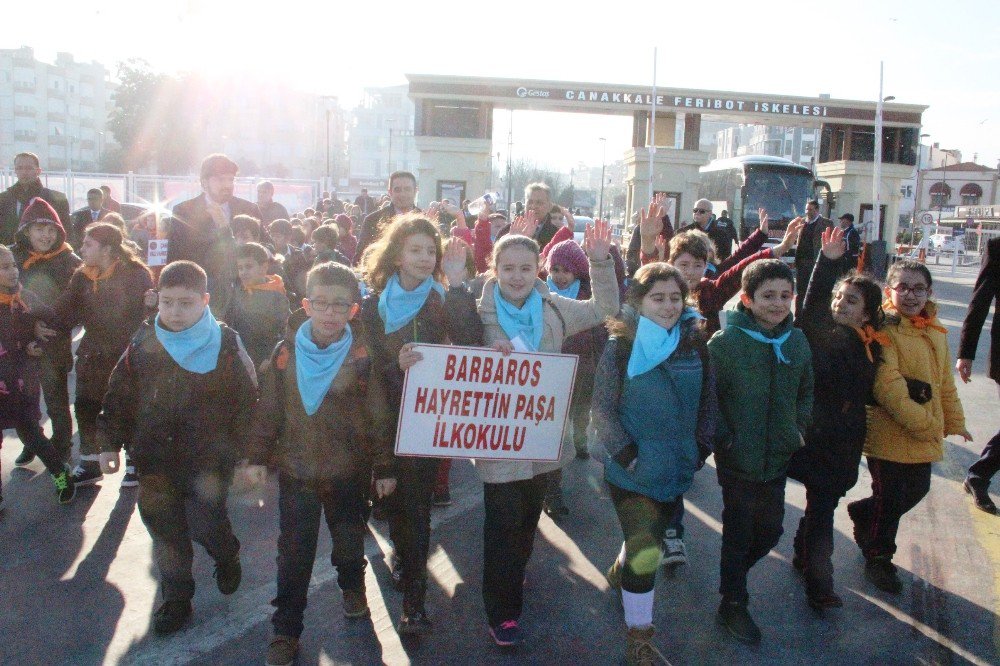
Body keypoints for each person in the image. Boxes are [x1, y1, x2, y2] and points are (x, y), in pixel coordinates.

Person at [475, 222, 619, 647]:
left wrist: (600, 260)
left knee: (524, 521)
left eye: (525, 267)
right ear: (494, 269)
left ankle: (513, 575)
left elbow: (604, 308)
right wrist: (485, 353)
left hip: (542, 436)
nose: (517, 276)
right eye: (508, 268)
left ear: (538, 267)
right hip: (496, 437)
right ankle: (502, 612)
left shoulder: (555, 307)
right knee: (501, 524)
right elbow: (451, 353)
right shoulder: (475, 310)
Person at [97, 260, 257, 636]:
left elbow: (248, 402)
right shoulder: (143, 340)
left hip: (208, 461)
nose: (174, 312)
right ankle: (177, 599)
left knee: (206, 524)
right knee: (167, 535)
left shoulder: (227, 343)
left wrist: (250, 454)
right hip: (154, 460)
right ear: (157, 299)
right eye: (167, 302)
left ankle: (225, 552)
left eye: (185, 303)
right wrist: (108, 443)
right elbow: (118, 393)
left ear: (205, 300)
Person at [243, 261, 382, 666]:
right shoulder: (285, 354)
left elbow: (377, 415)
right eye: (320, 303)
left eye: (340, 306)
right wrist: (255, 457)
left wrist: (385, 467)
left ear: (354, 310)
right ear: (305, 305)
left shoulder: (360, 357)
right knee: (294, 555)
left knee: (349, 543)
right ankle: (286, 630)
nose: (329, 313)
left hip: (347, 473)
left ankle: (352, 587)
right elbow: (268, 411)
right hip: (297, 472)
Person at [360, 213, 483, 635]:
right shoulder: (374, 306)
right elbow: (370, 371)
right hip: (385, 422)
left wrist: (457, 283)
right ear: (395, 255)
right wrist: (397, 367)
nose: (425, 258)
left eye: (431, 251)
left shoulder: (441, 299)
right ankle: (402, 555)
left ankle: (415, 602)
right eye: (415, 250)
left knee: (417, 510)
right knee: (394, 504)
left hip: (429, 423)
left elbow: (469, 344)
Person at [595, 262, 716, 664]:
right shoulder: (621, 346)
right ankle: (639, 637)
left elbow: (709, 404)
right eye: (657, 298)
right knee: (646, 553)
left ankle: (621, 567)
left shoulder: (696, 343)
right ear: (639, 302)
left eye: (675, 298)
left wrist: (700, 449)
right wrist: (628, 456)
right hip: (630, 473)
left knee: (644, 542)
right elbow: (602, 409)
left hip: (677, 468)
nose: (668, 306)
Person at [847, 260, 971, 593]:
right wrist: (927, 425)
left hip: (922, 431)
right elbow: (888, 389)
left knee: (917, 490)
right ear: (890, 291)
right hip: (888, 433)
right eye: (903, 287)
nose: (910, 295)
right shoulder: (883, 329)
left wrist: (953, 421)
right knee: (889, 501)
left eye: (918, 288)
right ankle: (879, 558)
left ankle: (863, 512)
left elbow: (944, 383)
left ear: (930, 292)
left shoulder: (935, 330)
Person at [709, 259, 813, 645]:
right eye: (767, 296)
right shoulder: (726, 344)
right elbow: (710, 400)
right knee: (738, 531)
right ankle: (733, 602)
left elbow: (806, 391)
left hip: (778, 457)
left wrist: (797, 429)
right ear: (748, 300)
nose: (777, 304)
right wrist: (725, 438)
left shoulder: (796, 341)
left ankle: (731, 577)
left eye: (785, 296)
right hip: (738, 459)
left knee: (771, 530)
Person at [787, 226, 888, 609]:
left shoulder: (873, 342)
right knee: (823, 509)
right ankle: (820, 584)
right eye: (839, 297)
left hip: (846, 440)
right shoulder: (820, 334)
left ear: (867, 310)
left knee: (822, 504)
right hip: (818, 437)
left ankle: (801, 551)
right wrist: (826, 263)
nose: (840, 304)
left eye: (851, 300)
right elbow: (811, 304)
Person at [37, 223, 155, 488]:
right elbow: (63, 311)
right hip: (93, 354)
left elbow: (150, 317)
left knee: (129, 407)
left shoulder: (136, 274)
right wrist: (37, 323)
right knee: (86, 406)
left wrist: (151, 305)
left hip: (127, 355)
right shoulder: (82, 277)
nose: (82, 249)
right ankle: (90, 462)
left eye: (88, 244)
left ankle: (135, 462)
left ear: (107, 249)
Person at [0, 245, 76, 508]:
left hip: (20, 382)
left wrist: (35, 338)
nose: (13, 271)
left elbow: (54, 320)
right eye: (4, 267)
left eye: (12, 265)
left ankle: (60, 473)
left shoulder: (24, 299)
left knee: (30, 433)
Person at [9, 198, 82, 465]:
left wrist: (50, 327)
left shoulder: (69, 260)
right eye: (39, 228)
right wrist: (30, 328)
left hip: (55, 339)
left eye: (51, 229)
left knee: (56, 399)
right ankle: (33, 441)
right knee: (25, 399)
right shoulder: (12, 257)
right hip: (21, 341)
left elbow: (77, 302)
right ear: (26, 230)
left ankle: (62, 444)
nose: (46, 235)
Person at [166, 154, 261, 315]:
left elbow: (264, 250)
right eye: (220, 180)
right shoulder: (183, 211)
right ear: (204, 183)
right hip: (198, 296)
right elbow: (175, 258)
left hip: (243, 296)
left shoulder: (249, 209)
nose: (227, 185)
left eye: (231, 179)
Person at [957, 235, 1000, 514]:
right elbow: (980, 301)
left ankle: (979, 475)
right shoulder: (997, 248)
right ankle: (978, 476)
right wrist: (965, 353)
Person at [225, 243, 290, 369]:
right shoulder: (238, 292)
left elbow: (283, 331)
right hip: (237, 357)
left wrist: (271, 357)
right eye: (240, 268)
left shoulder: (276, 297)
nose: (243, 272)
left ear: (264, 267)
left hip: (262, 361)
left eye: (248, 267)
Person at [0, 152, 70, 245]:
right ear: (15, 171)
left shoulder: (57, 199)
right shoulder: (3, 199)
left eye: (29, 168)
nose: (24, 172)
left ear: (38, 171)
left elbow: (67, 235)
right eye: (19, 168)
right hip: (10, 256)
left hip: (46, 256)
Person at [355, 171, 419, 263]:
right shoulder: (372, 220)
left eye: (407, 189)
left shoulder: (425, 220)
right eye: (397, 190)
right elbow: (359, 258)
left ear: (415, 191)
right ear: (390, 192)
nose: (402, 194)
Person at [794, 200, 834, 317]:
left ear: (817, 210)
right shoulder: (802, 222)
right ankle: (798, 316)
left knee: (814, 291)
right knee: (800, 291)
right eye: (806, 209)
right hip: (802, 262)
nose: (808, 212)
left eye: (810, 209)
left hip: (816, 262)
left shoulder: (826, 223)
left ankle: (811, 316)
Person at [495, 183, 561, 250]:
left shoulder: (557, 236)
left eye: (539, 202)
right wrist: (513, 239)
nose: (534, 206)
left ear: (549, 206)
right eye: (530, 202)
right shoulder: (508, 230)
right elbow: (495, 255)